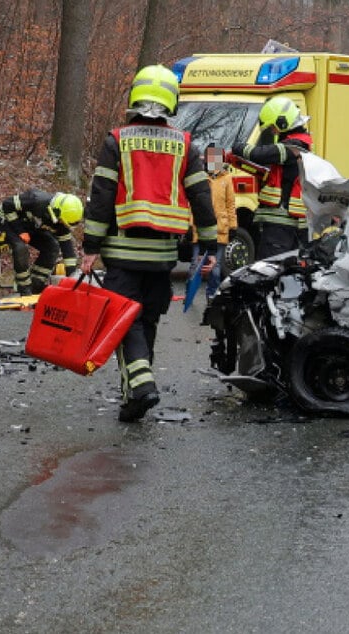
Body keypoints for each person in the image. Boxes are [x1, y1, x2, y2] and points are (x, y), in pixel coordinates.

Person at [80, 64, 218, 423]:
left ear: (135, 98)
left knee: (124, 322)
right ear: (171, 100)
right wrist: (209, 244)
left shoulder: (118, 140)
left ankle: (140, 387)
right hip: (162, 256)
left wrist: (91, 247)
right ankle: (136, 394)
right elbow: (202, 197)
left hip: (122, 252)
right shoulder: (186, 145)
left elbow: (101, 197)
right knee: (149, 319)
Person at [231, 96, 313, 259]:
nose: (273, 132)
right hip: (288, 226)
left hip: (282, 227)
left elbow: (259, 154)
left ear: (284, 123)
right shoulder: (299, 145)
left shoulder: (294, 147)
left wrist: (238, 146)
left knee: (269, 269)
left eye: (274, 127)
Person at [0, 190, 83, 295]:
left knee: (52, 247)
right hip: (6, 220)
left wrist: (73, 281)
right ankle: (23, 287)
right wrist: (20, 231)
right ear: (55, 211)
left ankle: (36, 283)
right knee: (20, 248)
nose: (62, 225)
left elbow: (68, 251)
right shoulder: (36, 200)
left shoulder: (62, 221)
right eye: (61, 221)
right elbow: (7, 204)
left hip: (29, 224)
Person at [191, 144, 237, 324]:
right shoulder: (200, 178)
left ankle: (211, 298)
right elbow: (192, 203)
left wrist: (233, 226)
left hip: (220, 230)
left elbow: (231, 204)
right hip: (200, 229)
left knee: (216, 270)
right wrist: (189, 226)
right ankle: (191, 292)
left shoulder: (226, 179)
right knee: (195, 265)